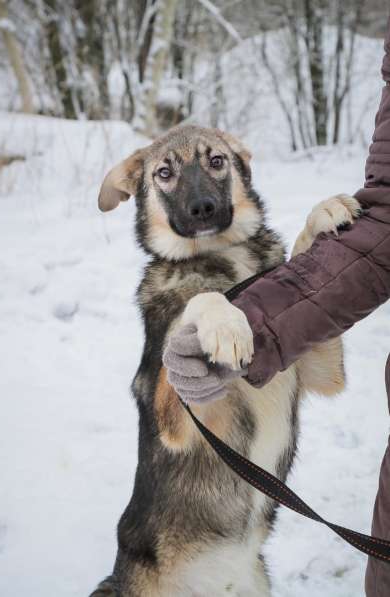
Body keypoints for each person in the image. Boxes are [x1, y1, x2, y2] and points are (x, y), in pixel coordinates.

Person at [164, 18, 390, 597]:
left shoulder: (267, 266)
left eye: (217, 164)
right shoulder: (169, 296)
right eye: (166, 175)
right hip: (176, 560)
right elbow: (175, 428)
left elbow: (325, 377)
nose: (199, 194)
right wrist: (213, 313)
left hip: (248, 554)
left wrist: (307, 248)